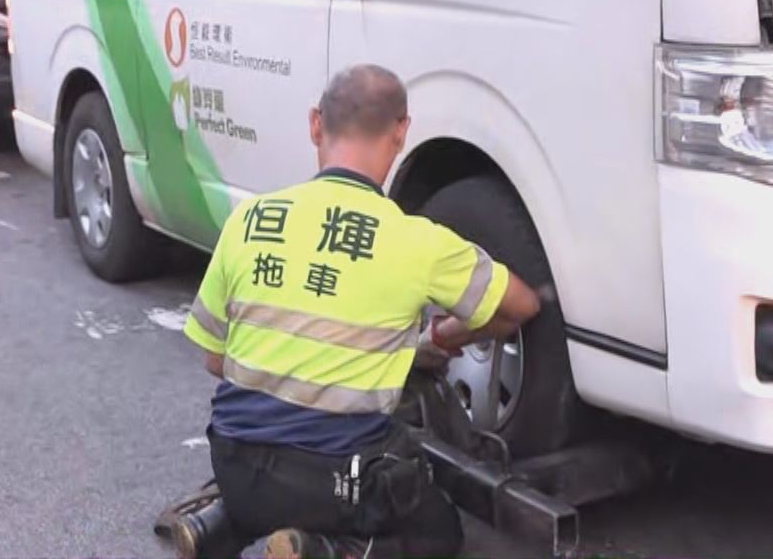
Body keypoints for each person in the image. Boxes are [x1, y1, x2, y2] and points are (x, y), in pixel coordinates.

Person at [184, 64, 541, 559]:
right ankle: (323, 550)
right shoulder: (416, 241)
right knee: (439, 531)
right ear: (401, 132)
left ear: (315, 124)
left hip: (233, 464)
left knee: (268, 482)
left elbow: (215, 359)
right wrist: (442, 337)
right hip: (334, 484)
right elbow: (522, 304)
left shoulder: (249, 219)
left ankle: (217, 524)